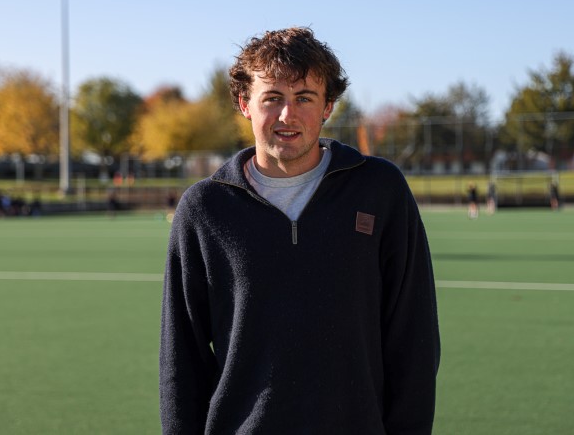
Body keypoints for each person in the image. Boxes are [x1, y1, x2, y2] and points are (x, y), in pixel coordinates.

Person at [159, 27, 440, 434]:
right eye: (272, 98)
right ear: (245, 104)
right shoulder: (204, 209)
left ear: (327, 107)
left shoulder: (380, 190)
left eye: (304, 98)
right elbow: (180, 359)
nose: (287, 115)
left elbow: (413, 338)